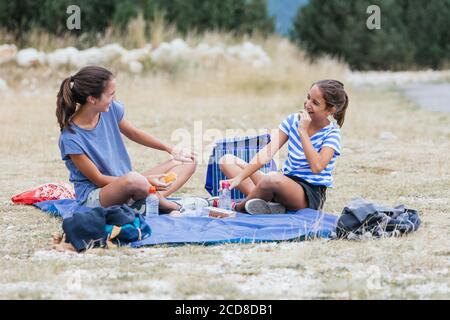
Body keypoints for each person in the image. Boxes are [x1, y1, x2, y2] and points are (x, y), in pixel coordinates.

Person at [56, 66, 196, 213]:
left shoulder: (109, 110)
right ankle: (167, 205)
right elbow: (99, 179)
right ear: (92, 99)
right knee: (135, 181)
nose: (114, 98)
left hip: (130, 183)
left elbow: (134, 133)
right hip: (98, 196)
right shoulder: (70, 137)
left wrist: (171, 149)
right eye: (110, 94)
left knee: (187, 161)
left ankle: (147, 200)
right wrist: (146, 181)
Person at [219, 80, 348, 214]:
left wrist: (302, 131)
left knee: (271, 178)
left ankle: (238, 207)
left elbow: (317, 167)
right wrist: (239, 177)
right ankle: (261, 203)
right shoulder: (293, 120)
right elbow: (268, 152)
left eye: (315, 103)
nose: (307, 104)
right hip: (284, 182)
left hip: (308, 194)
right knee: (227, 161)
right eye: (308, 97)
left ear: (331, 110)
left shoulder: (332, 133)